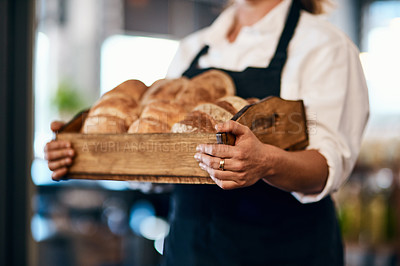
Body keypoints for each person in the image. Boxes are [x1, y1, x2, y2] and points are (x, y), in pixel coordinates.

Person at [45, 0, 369, 264]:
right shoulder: (194, 46)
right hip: (188, 250)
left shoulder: (324, 45)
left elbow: (326, 168)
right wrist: (84, 150)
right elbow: (166, 155)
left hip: (284, 252)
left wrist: (266, 162)